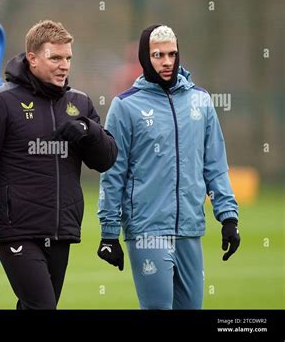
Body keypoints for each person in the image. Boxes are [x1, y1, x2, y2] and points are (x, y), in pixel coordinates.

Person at [0, 20, 118, 310]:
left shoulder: (80, 103)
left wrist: (88, 131)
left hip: (60, 230)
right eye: (56, 58)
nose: (64, 65)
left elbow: (106, 159)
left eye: (68, 58)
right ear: (32, 58)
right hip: (16, 229)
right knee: (42, 307)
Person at [97, 25, 240, 309]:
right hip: (147, 230)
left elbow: (215, 165)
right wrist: (109, 233)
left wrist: (228, 217)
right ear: (144, 57)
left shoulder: (200, 101)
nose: (166, 61)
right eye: (157, 54)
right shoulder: (125, 106)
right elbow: (113, 174)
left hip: (189, 228)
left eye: (172, 54)